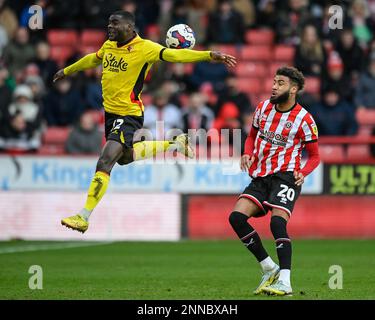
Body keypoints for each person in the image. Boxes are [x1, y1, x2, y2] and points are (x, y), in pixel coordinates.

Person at [53, 10, 236, 233]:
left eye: (115, 24)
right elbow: (94, 58)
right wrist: (67, 70)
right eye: (109, 23)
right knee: (124, 158)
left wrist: (209, 55)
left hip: (128, 114)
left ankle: (83, 216)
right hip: (111, 115)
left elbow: (175, 56)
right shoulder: (109, 45)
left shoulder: (146, 48)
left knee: (105, 161)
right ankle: (175, 144)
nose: (110, 27)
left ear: (130, 28)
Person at [229, 67, 320, 296]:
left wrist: (304, 171)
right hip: (261, 176)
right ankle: (269, 267)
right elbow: (251, 136)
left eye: (280, 83)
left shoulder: (304, 119)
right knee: (237, 218)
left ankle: (286, 283)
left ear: (293, 89)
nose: (274, 86)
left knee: (277, 224)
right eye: (274, 82)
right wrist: (246, 153)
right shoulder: (263, 108)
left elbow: (315, 156)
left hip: (286, 176)